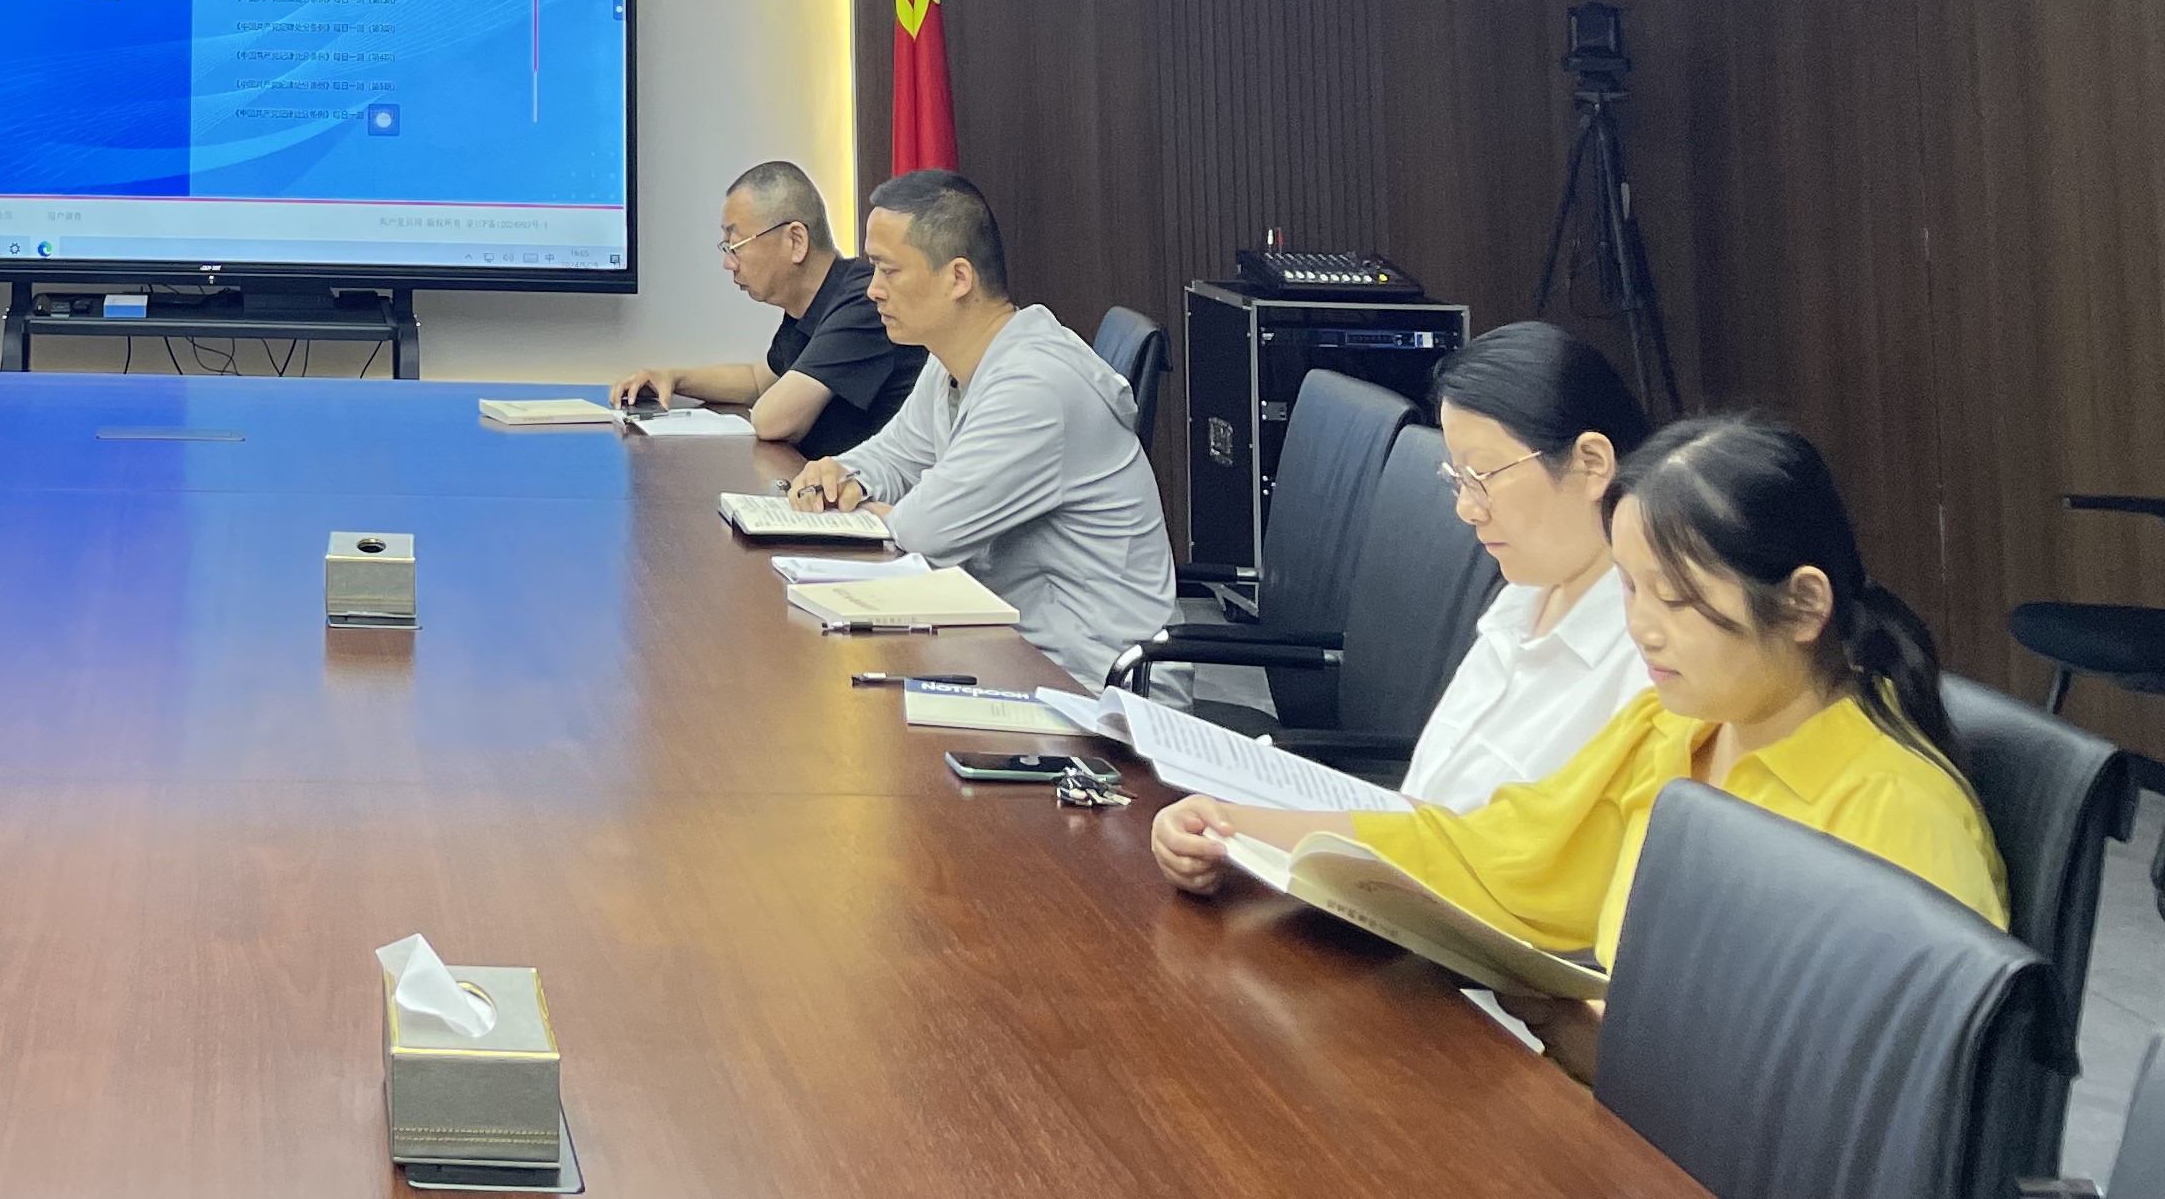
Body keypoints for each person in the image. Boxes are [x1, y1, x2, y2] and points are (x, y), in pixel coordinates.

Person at [1147, 414, 2003, 1076]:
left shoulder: (1897, 813)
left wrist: (1603, 1049)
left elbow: (1869, 1107)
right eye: (1630, 588)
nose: (1643, 629)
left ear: (1805, 604)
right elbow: (1490, 852)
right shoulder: (1676, 729)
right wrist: (1236, 827)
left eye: (1676, 599)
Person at [786, 169, 1172, 685]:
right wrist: (841, 474)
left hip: (1097, 686)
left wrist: (862, 508)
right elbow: (896, 455)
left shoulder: (1033, 387)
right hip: (1015, 649)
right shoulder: (954, 359)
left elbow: (922, 534)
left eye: (889, 270)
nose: (873, 290)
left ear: (958, 278)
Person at [1398, 322, 1656, 811]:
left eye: (1483, 474)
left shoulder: (1650, 659)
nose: (1466, 509)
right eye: (1458, 478)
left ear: (1591, 463)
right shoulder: (1523, 596)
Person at [610, 159, 920, 454]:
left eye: (735, 246)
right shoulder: (811, 303)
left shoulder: (865, 302)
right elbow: (759, 380)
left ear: (796, 241)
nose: (728, 263)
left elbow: (774, 421)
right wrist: (672, 377)